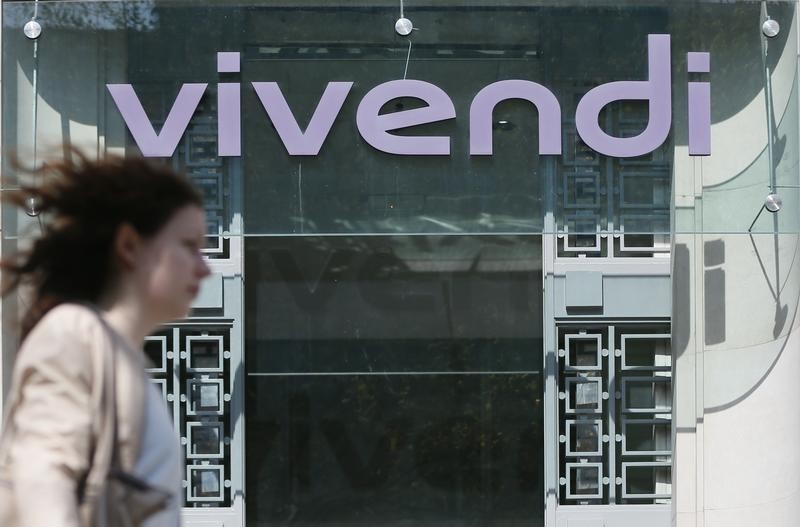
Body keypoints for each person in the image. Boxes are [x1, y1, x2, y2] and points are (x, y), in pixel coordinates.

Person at [0, 152, 210, 526]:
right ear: (129, 245)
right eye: (188, 246)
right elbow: (41, 478)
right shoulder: (74, 335)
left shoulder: (126, 362)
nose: (204, 267)